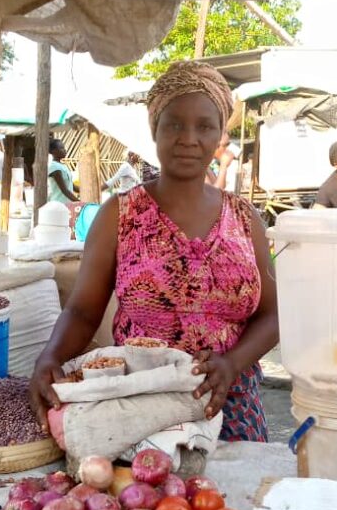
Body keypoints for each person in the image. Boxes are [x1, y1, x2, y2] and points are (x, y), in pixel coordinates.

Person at [30, 60, 279, 442]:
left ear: (219, 136)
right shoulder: (121, 213)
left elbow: (273, 315)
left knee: (231, 500)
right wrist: (50, 356)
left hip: (229, 401)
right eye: (174, 124)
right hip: (139, 407)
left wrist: (231, 364)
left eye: (204, 126)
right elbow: (82, 310)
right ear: (155, 130)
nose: (188, 138)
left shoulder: (245, 219)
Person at [47, 138, 78, 203]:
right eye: (61, 148)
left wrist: (85, 190)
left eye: (64, 148)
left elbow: (73, 187)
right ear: (53, 151)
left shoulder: (63, 166)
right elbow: (64, 190)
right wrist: (79, 202)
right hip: (59, 204)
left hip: (67, 204)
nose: (64, 150)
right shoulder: (54, 167)